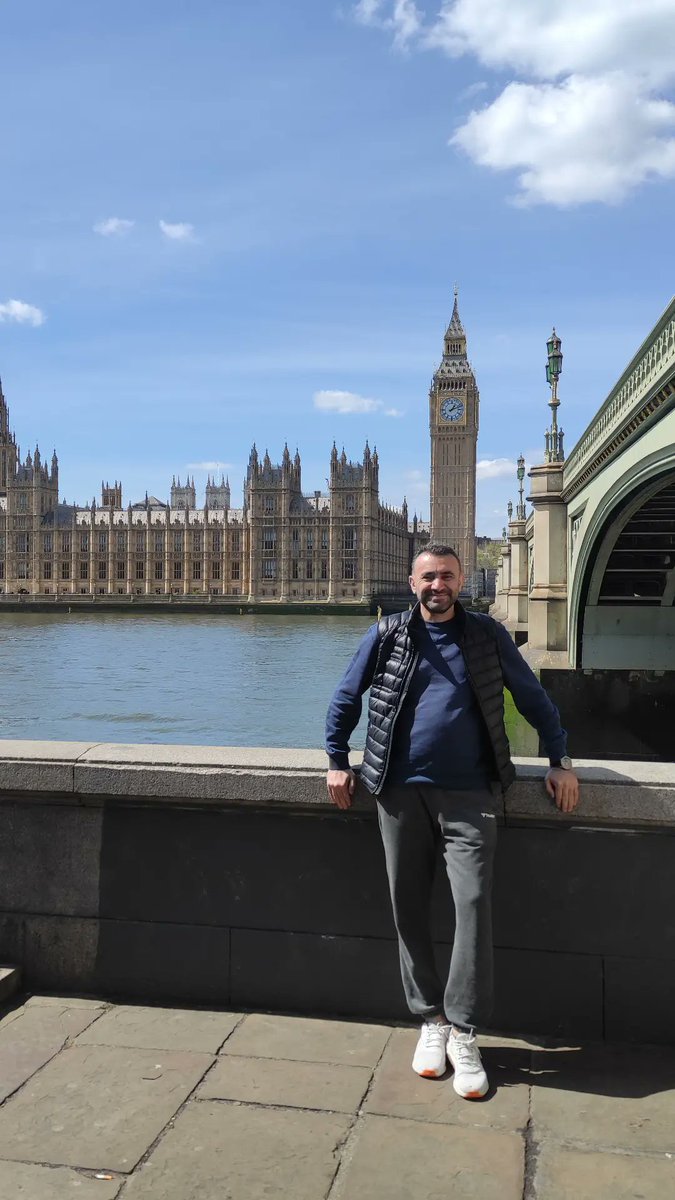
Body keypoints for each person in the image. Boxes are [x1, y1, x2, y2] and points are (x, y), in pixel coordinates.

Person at [325, 543, 579, 1100]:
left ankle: (464, 1030)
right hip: (396, 791)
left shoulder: (486, 634)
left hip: (470, 793)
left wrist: (559, 759)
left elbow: (533, 697)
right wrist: (336, 760)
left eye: (446, 577)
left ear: (460, 582)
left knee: (472, 904)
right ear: (412, 583)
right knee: (406, 905)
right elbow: (346, 697)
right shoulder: (387, 633)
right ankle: (429, 1020)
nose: (436, 586)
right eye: (427, 578)